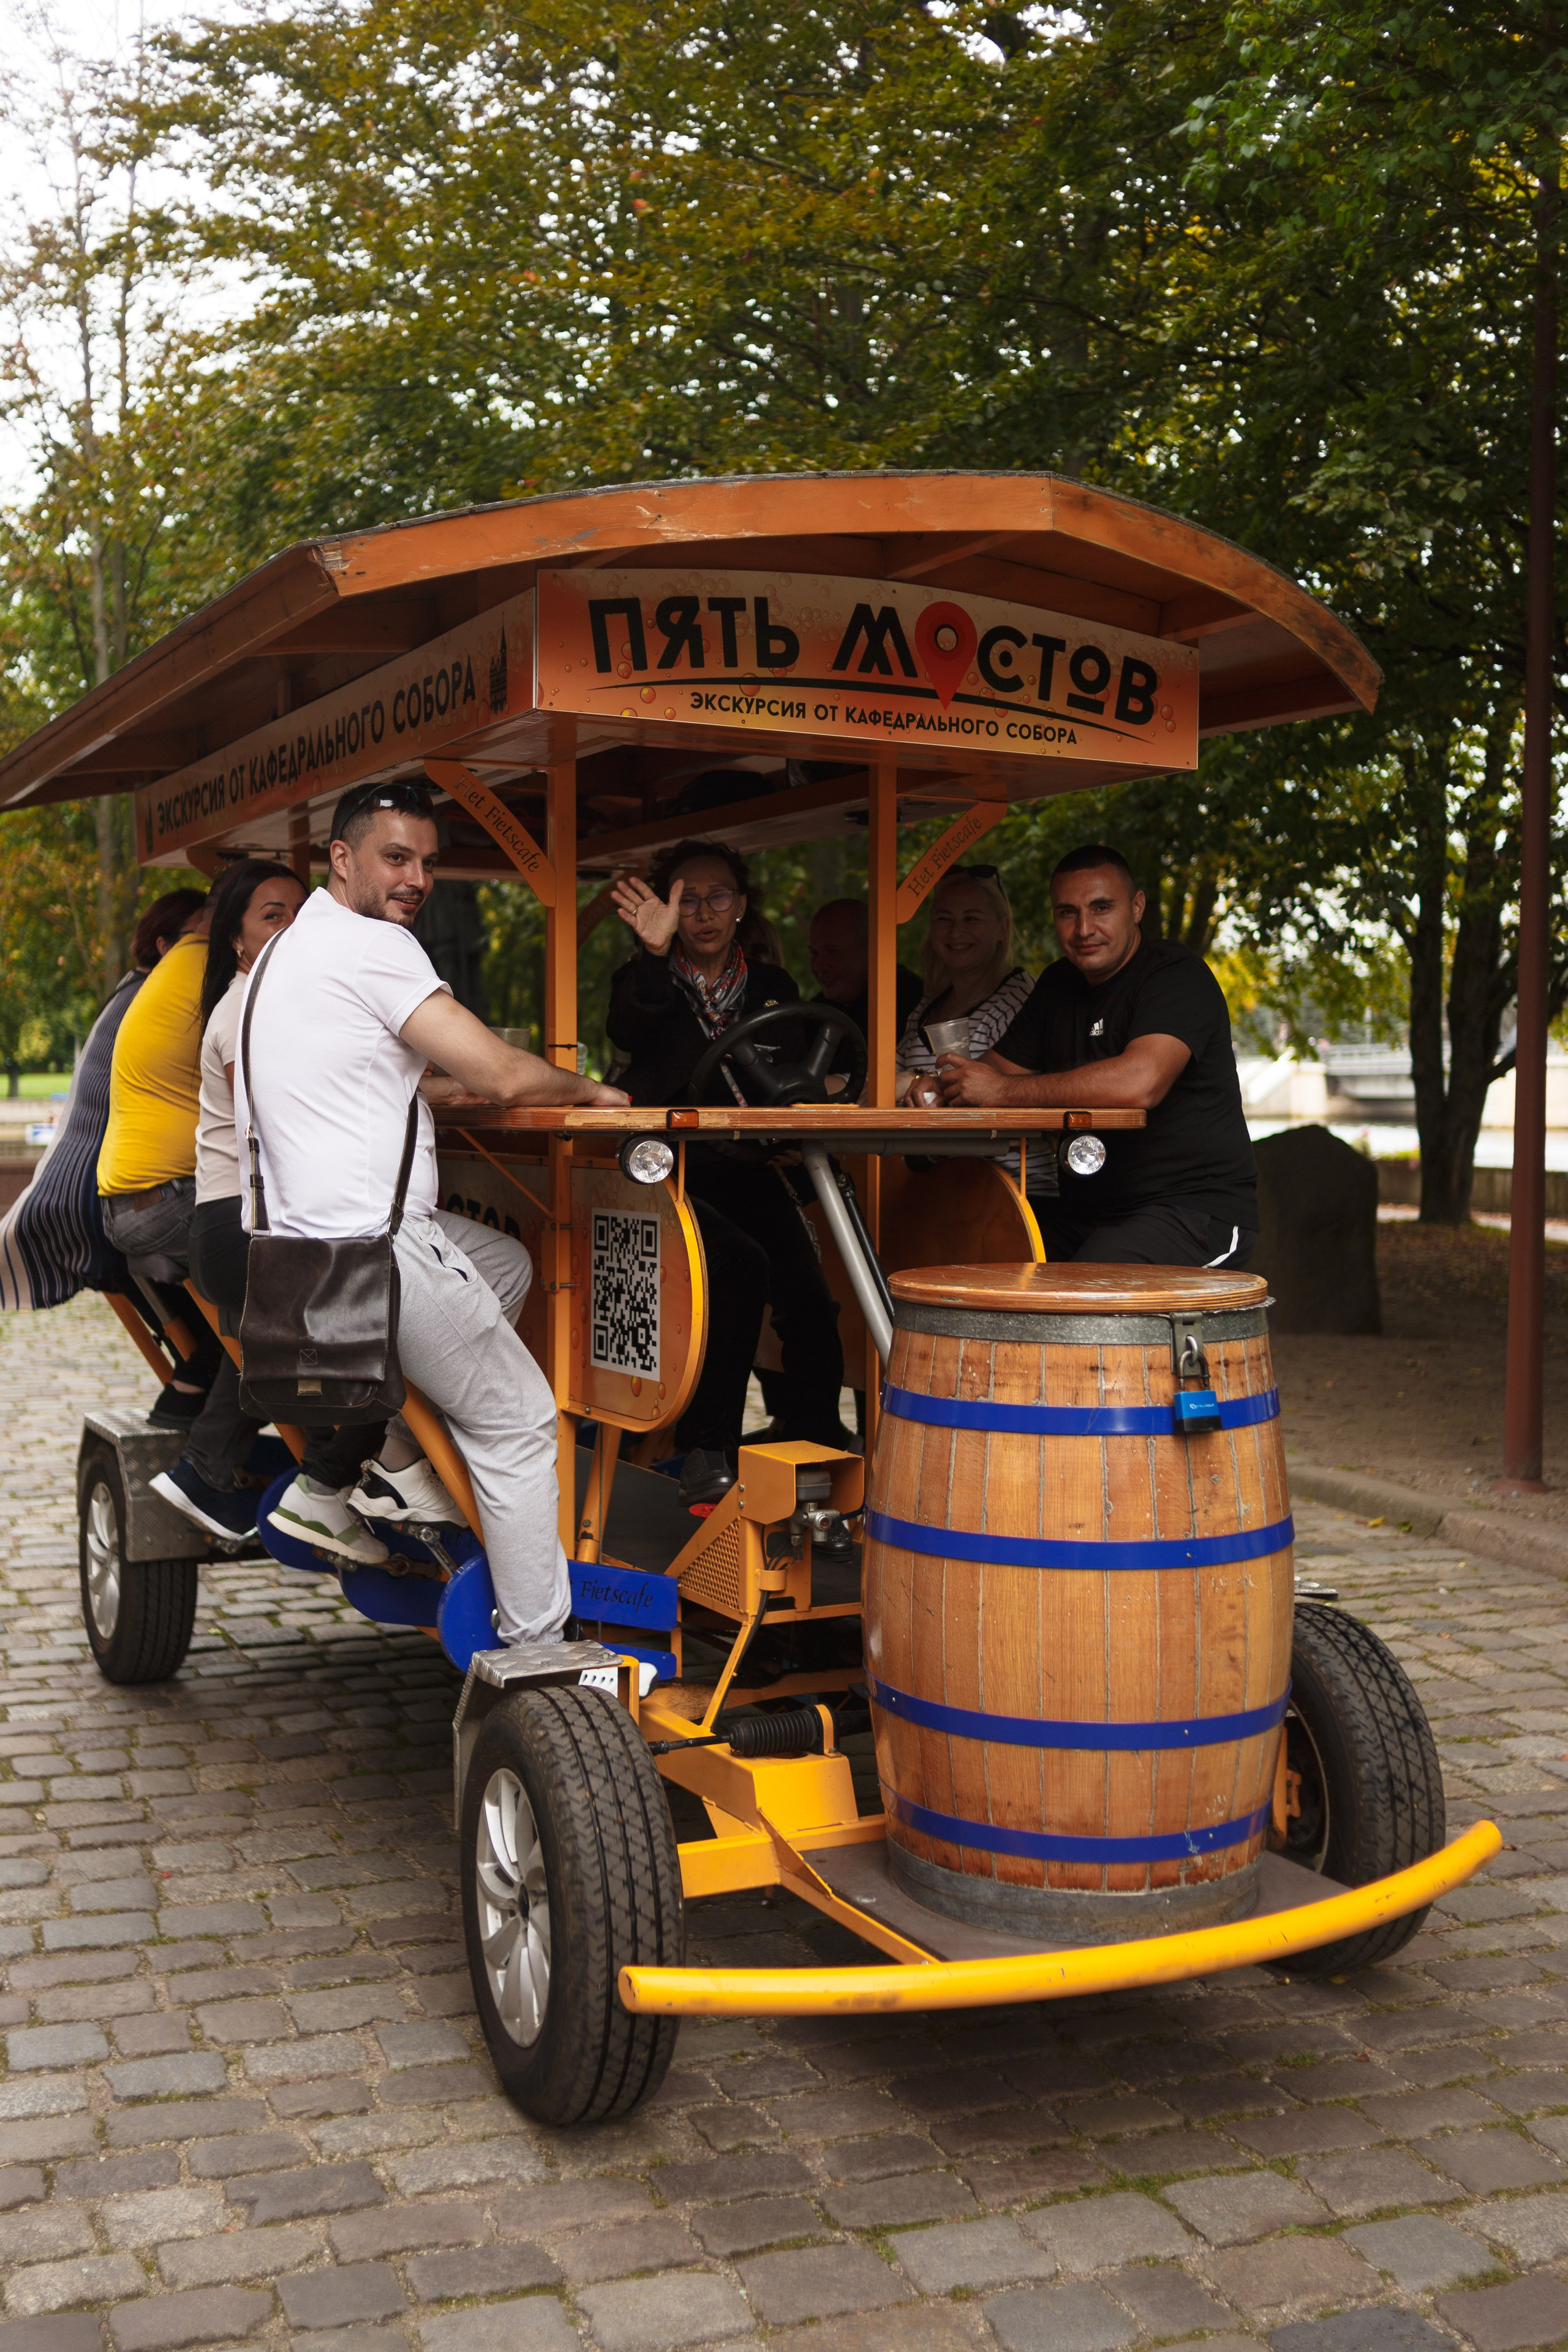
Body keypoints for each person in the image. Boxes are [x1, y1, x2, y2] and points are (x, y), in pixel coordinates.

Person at [241, 778, 626, 1646]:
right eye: (395, 858)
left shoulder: (287, 950)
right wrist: (593, 1088)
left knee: (504, 1264)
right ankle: (540, 1651)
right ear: (342, 860)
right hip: (375, 1250)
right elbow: (499, 1074)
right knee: (520, 1422)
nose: (415, 878)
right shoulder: (377, 948)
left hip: (298, 1252)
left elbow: (384, 1067)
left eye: (426, 862)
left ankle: (406, 1462)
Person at [149, 857, 398, 1555]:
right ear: (236, 937)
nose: (293, 927)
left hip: (241, 1221)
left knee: (297, 1329)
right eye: (272, 915)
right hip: (239, 1222)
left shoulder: (269, 999)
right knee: (382, 1303)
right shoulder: (246, 1007)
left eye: (301, 911)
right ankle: (334, 1481)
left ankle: (246, 1469)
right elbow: (275, 1126)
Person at [608, 840, 846, 1505]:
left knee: (807, 1291)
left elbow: (792, 1078)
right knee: (738, 1267)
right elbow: (629, 1028)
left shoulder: (773, 989)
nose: (704, 912)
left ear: (741, 908)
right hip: (667, 1174)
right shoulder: (643, 978)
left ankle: (816, 1437)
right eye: (688, 900)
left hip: (746, 1164)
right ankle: (705, 1448)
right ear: (667, 909)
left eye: (718, 897)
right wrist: (654, 955)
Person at [937, 843, 1258, 1267]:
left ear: (1137, 907)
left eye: (1101, 907)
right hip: (1091, 1214)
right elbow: (992, 1072)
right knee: (979, 1254)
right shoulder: (1058, 983)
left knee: (1092, 1277)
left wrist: (1002, 1092)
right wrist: (936, 1083)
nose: (1084, 928)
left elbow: (1140, 1083)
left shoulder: (1177, 975)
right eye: (1067, 912)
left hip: (1196, 1211)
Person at [0, 890, 207, 1325]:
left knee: (209, 1336)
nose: (215, 943)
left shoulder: (127, 994)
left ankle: (197, 1381)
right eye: (199, 936)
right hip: (93, 1213)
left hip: (71, 1207)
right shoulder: (161, 1001)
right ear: (166, 947)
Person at [895, 866, 1034, 1103]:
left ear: (1003, 928)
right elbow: (882, 1079)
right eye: (944, 919)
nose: (956, 931)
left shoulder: (1019, 1000)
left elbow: (1013, 1089)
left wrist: (915, 1078)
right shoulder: (929, 1005)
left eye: (971, 918)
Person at [808, 898, 921, 1079]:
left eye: (831, 951)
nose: (819, 965)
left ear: (870, 948)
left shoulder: (901, 996)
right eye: (814, 953)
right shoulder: (818, 1009)